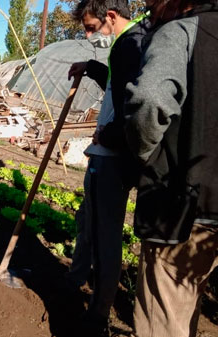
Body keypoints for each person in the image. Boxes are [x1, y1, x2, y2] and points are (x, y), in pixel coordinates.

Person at [124, 0, 218, 336]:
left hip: (182, 208)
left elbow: (150, 98)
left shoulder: (183, 31)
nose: (149, 9)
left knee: (164, 319)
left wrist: (143, 154)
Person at [65, 0, 150, 335]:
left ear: (110, 17)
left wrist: (111, 135)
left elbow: (137, 105)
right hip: (118, 153)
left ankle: (97, 315)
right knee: (92, 223)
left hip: (113, 157)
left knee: (105, 236)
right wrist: (92, 66)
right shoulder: (133, 39)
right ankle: (79, 282)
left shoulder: (130, 43)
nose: (89, 35)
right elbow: (120, 87)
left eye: (91, 27)